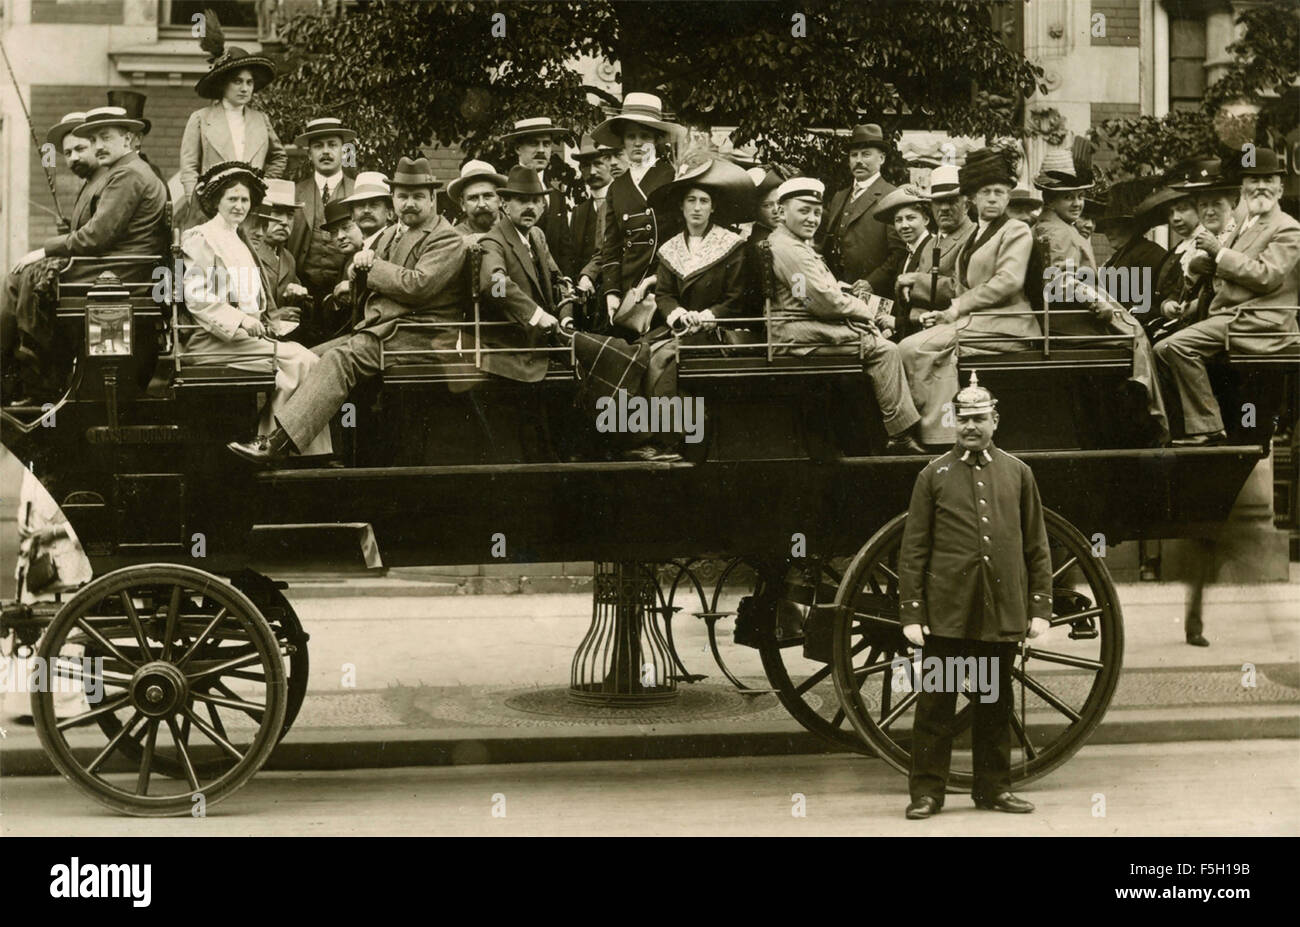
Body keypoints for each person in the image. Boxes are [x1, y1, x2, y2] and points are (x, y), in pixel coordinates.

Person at [227, 157, 468, 464]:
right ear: (394, 199)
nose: (410, 203)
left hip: (420, 335)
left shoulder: (445, 237)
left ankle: (276, 444)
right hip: (385, 332)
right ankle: (316, 450)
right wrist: (356, 275)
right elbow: (373, 281)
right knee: (307, 355)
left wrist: (372, 267)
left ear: (433, 198)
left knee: (341, 359)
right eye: (403, 196)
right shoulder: (396, 232)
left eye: (418, 196)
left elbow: (417, 286)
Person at [899, 372, 1052, 819]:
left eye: (979, 419)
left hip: (997, 613)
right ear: (954, 421)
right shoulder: (933, 475)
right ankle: (927, 793)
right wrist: (912, 613)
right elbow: (914, 550)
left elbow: (1036, 546)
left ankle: (993, 789)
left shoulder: (1019, 473)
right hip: (946, 614)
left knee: (993, 704)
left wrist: (1039, 607)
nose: (971, 426)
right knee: (935, 708)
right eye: (963, 419)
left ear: (995, 421)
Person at [2, 106, 168, 403]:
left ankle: (32, 374)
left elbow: (97, 236)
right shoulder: (126, 172)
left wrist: (44, 249)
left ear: (128, 140)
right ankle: (27, 371)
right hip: (117, 268)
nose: (99, 145)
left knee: (21, 278)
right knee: (19, 279)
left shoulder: (127, 174)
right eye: (96, 139)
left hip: (117, 274)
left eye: (105, 137)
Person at [181, 162, 331, 456]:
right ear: (216, 201)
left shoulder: (238, 238)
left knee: (305, 363)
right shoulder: (201, 238)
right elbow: (195, 295)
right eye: (232, 199)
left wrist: (264, 319)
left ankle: (282, 444)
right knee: (304, 361)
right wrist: (241, 320)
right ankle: (279, 444)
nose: (239, 205)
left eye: (245, 199)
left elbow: (253, 295)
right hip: (211, 341)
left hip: (243, 337)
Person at [766, 177, 924, 454]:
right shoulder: (788, 248)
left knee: (873, 336)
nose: (812, 219)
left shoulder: (793, 243)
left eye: (816, 212)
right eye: (804, 210)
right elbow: (821, 301)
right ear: (782, 211)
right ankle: (899, 434)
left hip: (802, 324)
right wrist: (864, 312)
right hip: (795, 330)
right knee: (884, 349)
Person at [1156, 148, 1300, 446]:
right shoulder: (1246, 225)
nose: (1260, 186)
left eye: (1268, 179)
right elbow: (1231, 271)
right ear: (1243, 188)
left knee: (1174, 346)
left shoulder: (1287, 228)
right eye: (1253, 180)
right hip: (1230, 316)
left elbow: (1266, 276)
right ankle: (1195, 425)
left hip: (1258, 321)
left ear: (1280, 187)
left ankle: (1208, 427)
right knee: (1160, 348)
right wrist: (1204, 267)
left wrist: (1218, 253)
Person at [897, 148, 1038, 447]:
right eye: (986, 192)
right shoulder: (973, 239)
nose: (993, 198)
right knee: (917, 346)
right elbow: (962, 288)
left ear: (1008, 197)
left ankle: (933, 436)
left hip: (1009, 322)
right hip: (978, 322)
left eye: (1000, 192)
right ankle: (934, 430)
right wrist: (943, 314)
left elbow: (1008, 281)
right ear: (972, 197)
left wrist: (956, 309)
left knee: (913, 348)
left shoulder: (1016, 230)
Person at [177, 14, 285, 230]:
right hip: (212, 208)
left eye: (249, 82)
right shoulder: (201, 119)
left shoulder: (260, 119)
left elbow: (279, 156)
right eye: (237, 82)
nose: (245, 88)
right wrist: (196, 200)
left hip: (251, 206)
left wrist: (261, 184)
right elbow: (188, 167)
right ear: (223, 85)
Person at [595, 93, 684, 332]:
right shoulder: (617, 186)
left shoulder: (673, 177)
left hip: (665, 284)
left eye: (644, 136)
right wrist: (612, 292)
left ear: (656, 140)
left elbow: (683, 237)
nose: (637, 143)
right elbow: (611, 246)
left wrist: (659, 279)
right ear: (622, 141)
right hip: (629, 286)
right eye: (630, 136)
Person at [476, 165, 570, 384]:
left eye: (536, 201)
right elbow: (495, 285)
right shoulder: (493, 242)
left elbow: (558, 279)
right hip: (513, 352)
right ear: (505, 205)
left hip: (544, 344)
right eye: (522, 200)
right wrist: (536, 315)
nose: (530, 207)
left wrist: (566, 315)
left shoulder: (537, 236)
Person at [819, 123, 904, 298]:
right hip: (838, 290)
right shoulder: (839, 196)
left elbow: (899, 251)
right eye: (853, 155)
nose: (858, 160)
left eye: (866, 154)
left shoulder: (892, 195)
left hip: (875, 292)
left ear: (881, 158)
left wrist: (872, 282)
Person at [893, 164, 975, 337]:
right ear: (931, 206)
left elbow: (967, 290)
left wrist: (915, 280)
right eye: (938, 201)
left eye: (952, 201)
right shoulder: (931, 245)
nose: (944, 208)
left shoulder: (973, 238)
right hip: (927, 329)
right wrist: (919, 316)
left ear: (966, 206)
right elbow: (917, 300)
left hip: (959, 330)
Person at [285, 117, 358, 311]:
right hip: (301, 291)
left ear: (344, 151)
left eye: (332, 145)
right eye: (318, 146)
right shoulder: (293, 193)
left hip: (345, 291)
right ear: (309, 154)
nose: (325, 151)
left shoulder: (359, 193)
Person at [498, 116, 575, 267]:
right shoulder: (503, 194)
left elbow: (564, 248)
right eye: (534, 143)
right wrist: (500, 290)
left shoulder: (556, 196)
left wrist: (566, 281)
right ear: (518, 148)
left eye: (546, 144)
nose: (541, 150)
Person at [251, 178, 311, 340]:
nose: (284, 222)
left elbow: (298, 309)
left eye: (290, 215)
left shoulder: (288, 258)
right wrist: (274, 316)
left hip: (278, 338)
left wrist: (298, 297)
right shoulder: (248, 252)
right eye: (276, 213)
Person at [872, 184, 935, 338]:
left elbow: (933, 306)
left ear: (926, 219)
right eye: (898, 220)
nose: (904, 225)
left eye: (911, 218)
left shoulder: (934, 250)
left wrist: (897, 323)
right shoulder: (906, 256)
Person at [568, 139, 620, 292]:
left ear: (610, 163)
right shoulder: (579, 211)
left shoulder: (622, 203)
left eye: (598, 164)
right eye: (585, 166)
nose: (592, 172)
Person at [449, 159, 507, 242]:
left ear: (501, 200)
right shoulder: (453, 240)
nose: (481, 204)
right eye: (473, 198)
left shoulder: (519, 231)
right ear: (463, 204)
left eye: (487, 196)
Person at [342, 171, 396, 249]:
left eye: (374, 205)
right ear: (352, 215)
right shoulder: (358, 250)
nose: (366, 210)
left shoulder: (392, 246)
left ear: (390, 214)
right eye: (360, 205)